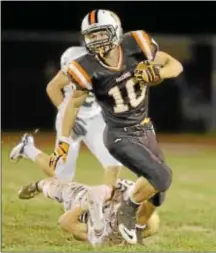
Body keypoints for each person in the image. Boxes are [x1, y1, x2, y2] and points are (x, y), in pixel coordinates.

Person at [48, 9, 183, 244]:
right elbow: (72, 105)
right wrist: (63, 140)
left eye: (102, 33)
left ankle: (137, 231)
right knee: (162, 176)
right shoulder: (85, 66)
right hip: (119, 135)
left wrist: (158, 72)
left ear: (116, 32)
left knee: (158, 192)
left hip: (144, 129)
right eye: (92, 35)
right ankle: (126, 209)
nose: (98, 40)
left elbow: (175, 65)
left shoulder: (136, 45)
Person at [10, 46, 122, 191]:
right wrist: (66, 115)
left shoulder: (107, 62)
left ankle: (107, 205)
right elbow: (53, 87)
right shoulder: (73, 62)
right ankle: (28, 149)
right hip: (71, 118)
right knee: (62, 176)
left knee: (113, 162)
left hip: (96, 117)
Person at [18, 177, 160, 247]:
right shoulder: (132, 202)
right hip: (86, 196)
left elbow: (65, 222)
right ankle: (37, 185)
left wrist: (86, 206)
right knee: (51, 186)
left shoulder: (106, 232)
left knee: (55, 188)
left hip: (79, 202)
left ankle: (41, 184)